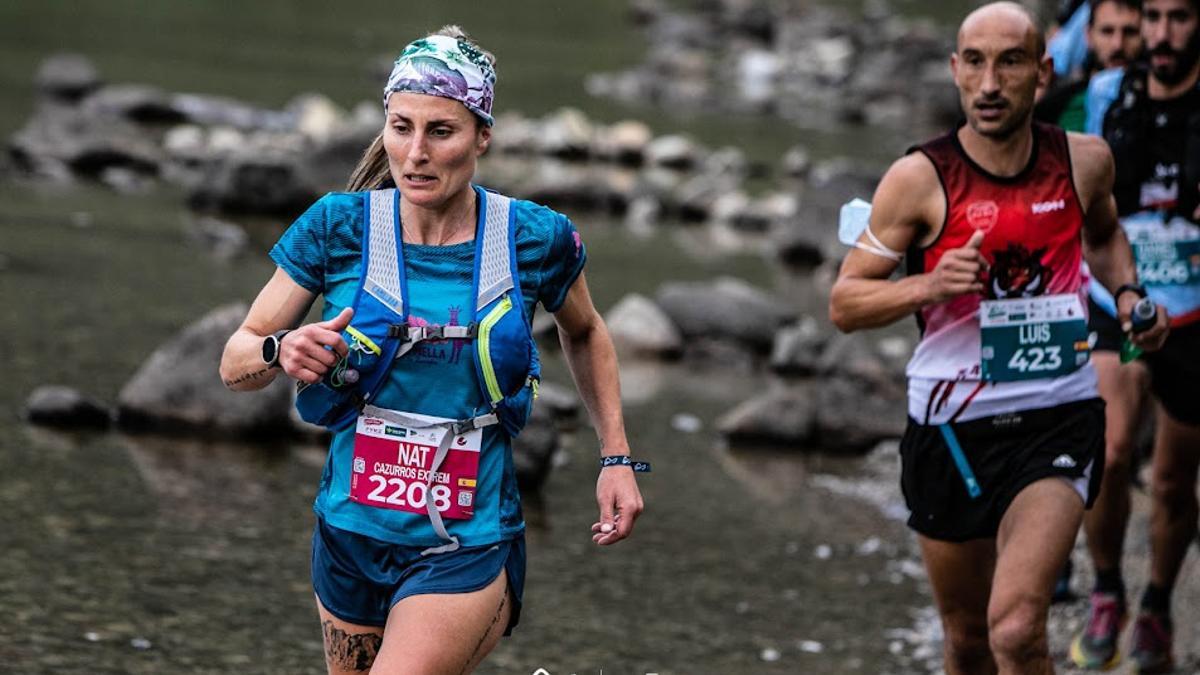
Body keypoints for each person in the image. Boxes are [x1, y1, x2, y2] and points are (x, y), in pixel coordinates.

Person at [219, 26, 646, 675]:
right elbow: (235, 360)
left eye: (440, 131)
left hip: (467, 541)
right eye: (401, 127)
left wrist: (616, 454)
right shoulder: (339, 226)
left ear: (482, 136)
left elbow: (585, 330)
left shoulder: (533, 238)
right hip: (349, 536)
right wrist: (283, 349)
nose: (415, 153)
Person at [829, 3, 1168, 672]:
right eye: (975, 62)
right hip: (950, 428)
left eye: (1009, 61)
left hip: (1058, 415)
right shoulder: (918, 179)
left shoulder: (1085, 161)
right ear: (955, 71)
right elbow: (845, 302)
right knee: (966, 636)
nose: (989, 83)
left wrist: (1128, 294)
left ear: (1042, 73)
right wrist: (927, 285)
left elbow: (1103, 237)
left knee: (1015, 628)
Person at [1070, 0, 1200, 670]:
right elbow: (1086, 193)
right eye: (1152, 16)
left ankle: (1155, 604)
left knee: (1176, 482)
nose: (1159, 34)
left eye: (1178, 17)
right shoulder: (1105, 92)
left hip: (1195, 314)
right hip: (1116, 297)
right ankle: (1106, 589)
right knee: (1112, 450)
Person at [1037, 0, 1144, 131]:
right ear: (1088, 35)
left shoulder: (1159, 104)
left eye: (1130, 32)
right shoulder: (1058, 107)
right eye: (1107, 31)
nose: (1118, 45)